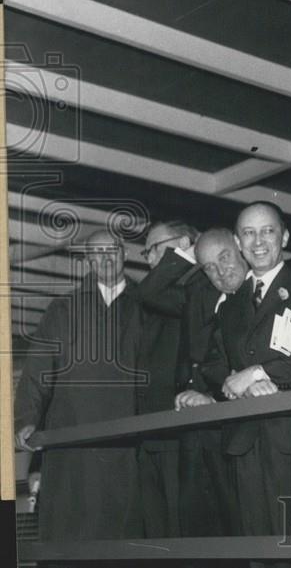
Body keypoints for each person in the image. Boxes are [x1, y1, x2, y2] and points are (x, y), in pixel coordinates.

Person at [214, 202, 291, 552]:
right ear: (238, 242)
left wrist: (259, 373)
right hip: (244, 440)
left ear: (283, 236)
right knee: (256, 550)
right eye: (248, 233)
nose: (258, 241)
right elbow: (218, 367)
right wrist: (232, 384)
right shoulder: (229, 307)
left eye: (267, 231)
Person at [15, 230, 144, 541]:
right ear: (87, 260)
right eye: (95, 252)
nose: (104, 257)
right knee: (72, 533)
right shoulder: (62, 310)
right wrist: (26, 420)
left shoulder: (148, 306)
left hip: (132, 442)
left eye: (110, 250)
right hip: (73, 439)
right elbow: (36, 371)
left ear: (124, 253)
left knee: (128, 535)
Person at [153, 226, 250, 541]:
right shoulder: (201, 293)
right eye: (209, 266)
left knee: (242, 524)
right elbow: (149, 293)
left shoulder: (264, 294)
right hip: (198, 425)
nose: (220, 272)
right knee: (199, 526)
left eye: (224, 258)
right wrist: (184, 252)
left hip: (241, 427)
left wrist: (212, 398)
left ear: (239, 247)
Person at [134, 219, 200, 538]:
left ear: (184, 244)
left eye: (153, 249)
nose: (147, 259)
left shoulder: (197, 288)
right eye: (145, 252)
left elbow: (149, 290)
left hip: (177, 430)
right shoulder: (163, 295)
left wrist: (184, 256)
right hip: (148, 429)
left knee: (178, 528)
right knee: (155, 531)